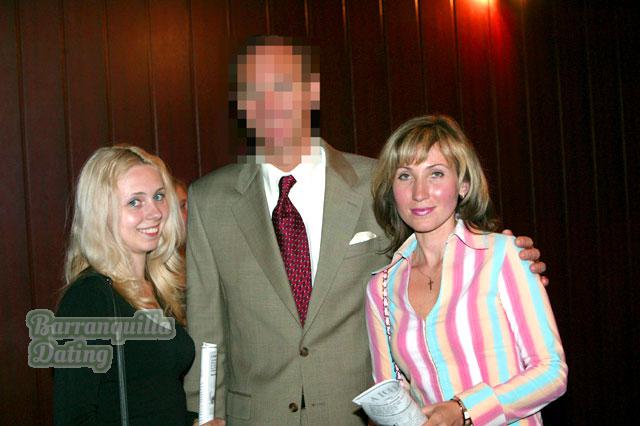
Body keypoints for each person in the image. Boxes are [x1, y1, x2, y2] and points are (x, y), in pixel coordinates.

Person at [183, 36, 545, 425]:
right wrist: (204, 415)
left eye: (282, 86)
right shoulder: (209, 200)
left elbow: (443, 249)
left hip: (355, 415)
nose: (268, 103)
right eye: (253, 91)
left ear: (311, 92)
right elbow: (207, 330)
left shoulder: (380, 183)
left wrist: (510, 261)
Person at [366, 115, 567, 426]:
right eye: (405, 176)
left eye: (435, 174)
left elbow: (552, 373)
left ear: (463, 185)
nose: (419, 192)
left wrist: (465, 409)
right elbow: (390, 395)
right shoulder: (381, 287)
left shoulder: (502, 255)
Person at [54, 145, 196, 425]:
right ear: (101, 213)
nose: (155, 212)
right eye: (135, 202)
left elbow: (152, 400)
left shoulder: (159, 289)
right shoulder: (88, 298)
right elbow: (73, 418)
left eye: (158, 196)